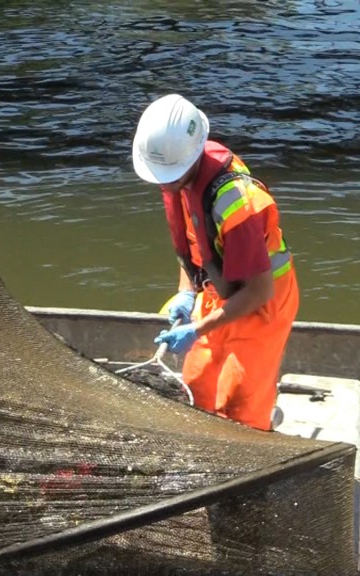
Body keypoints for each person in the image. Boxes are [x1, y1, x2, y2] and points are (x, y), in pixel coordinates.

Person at [131, 94, 299, 431]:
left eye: (167, 175)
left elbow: (258, 292)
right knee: (196, 387)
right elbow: (194, 245)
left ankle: (259, 427)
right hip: (218, 293)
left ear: (188, 159)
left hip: (263, 303)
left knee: (237, 407)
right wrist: (187, 293)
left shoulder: (236, 206)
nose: (162, 182)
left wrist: (196, 329)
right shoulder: (180, 175)